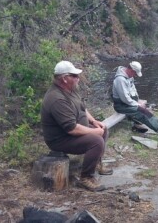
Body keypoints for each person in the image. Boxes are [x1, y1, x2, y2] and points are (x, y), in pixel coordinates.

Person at [41, 60, 113, 192]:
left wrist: (93, 122)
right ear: (64, 78)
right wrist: (94, 132)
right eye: (74, 76)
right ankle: (86, 178)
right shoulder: (57, 98)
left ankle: (96, 164)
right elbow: (72, 129)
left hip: (71, 132)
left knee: (104, 129)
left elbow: (82, 108)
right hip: (59, 139)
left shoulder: (70, 89)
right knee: (96, 141)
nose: (78, 78)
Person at [112, 61, 158, 135]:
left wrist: (137, 100)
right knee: (142, 112)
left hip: (127, 103)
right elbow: (125, 98)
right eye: (135, 74)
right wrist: (137, 104)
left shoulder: (129, 77)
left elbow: (133, 89)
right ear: (131, 70)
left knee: (143, 109)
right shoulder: (120, 80)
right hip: (121, 106)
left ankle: (137, 125)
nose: (135, 76)